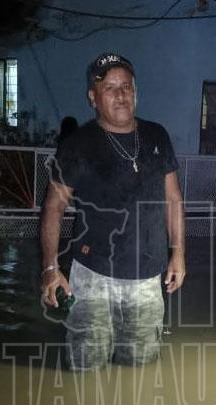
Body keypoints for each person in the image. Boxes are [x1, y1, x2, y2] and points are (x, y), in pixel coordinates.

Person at [40, 52, 186, 371]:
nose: (121, 94)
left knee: (140, 370)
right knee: (85, 368)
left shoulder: (157, 136)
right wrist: (51, 268)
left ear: (136, 92)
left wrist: (178, 254)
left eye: (126, 86)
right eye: (110, 88)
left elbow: (173, 199)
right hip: (92, 276)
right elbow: (53, 207)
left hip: (147, 277)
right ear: (93, 98)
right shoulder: (78, 144)